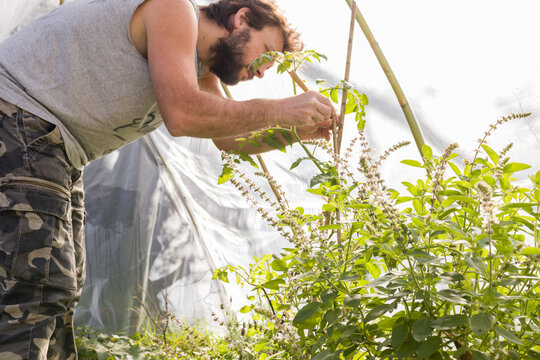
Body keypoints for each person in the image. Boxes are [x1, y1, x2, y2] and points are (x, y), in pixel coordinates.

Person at [0, 0, 336, 358]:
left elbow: (228, 138)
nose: (263, 71)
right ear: (241, 19)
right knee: (35, 289)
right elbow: (183, 113)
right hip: (19, 119)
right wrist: (282, 109)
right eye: (267, 51)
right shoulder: (174, 9)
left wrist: (296, 130)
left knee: (61, 292)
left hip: (56, 148)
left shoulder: (198, 67)